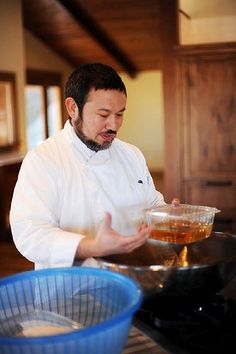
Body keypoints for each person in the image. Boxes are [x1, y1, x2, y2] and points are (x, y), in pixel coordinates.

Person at [10, 63, 165, 270]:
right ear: (73, 108)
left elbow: (152, 204)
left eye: (120, 114)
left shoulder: (131, 154)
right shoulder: (43, 160)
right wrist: (92, 246)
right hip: (70, 291)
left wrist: (168, 214)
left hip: (133, 279)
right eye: (103, 114)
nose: (114, 125)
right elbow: (30, 234)